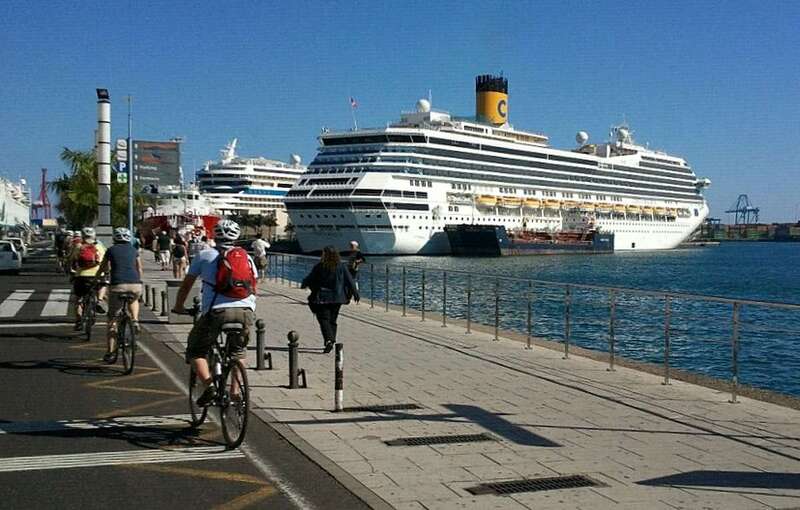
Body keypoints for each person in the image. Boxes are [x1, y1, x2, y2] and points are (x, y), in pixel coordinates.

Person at [171, 220, 258, 406]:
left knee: (196, 350)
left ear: (214, 235)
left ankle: (209, 387)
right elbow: (254, 284)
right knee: (238, 353)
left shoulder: (204, 255)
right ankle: (235, 392)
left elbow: (187, 285)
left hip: (216, 312)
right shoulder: (246, 257)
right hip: (246, 310)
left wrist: (179, 306)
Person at [96, 228, 142, 363]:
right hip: (135, 284)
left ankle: (110, 352)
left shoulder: (111, 250)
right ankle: (135, 320)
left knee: (112, 319)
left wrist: (97, 279)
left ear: (115, 238)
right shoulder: (134, 250)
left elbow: (103, 268)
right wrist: (139, 280)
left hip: (117, 285)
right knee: (133, 300)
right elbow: (139, 268)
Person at [301, 246, 359, 353]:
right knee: (333, 320)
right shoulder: (341, 266)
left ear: (325, 255)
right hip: (338, 298)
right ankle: (331, 340)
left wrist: (304, 284)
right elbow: (350, 280)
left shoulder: (320, 266)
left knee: (324, 319)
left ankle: (329, 339)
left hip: (323, 297)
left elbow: (310, 278)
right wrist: (355, 293)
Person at [69, 227, 107, 330]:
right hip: (98, 276)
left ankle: (79, 321)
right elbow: (105, 261)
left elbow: (72, 260)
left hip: (81, 276)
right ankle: (99, 300)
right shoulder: (99, 246)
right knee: (103, 285)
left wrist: (72, 272)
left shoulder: (78, 246)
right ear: (94, 236)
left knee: (78, 299)